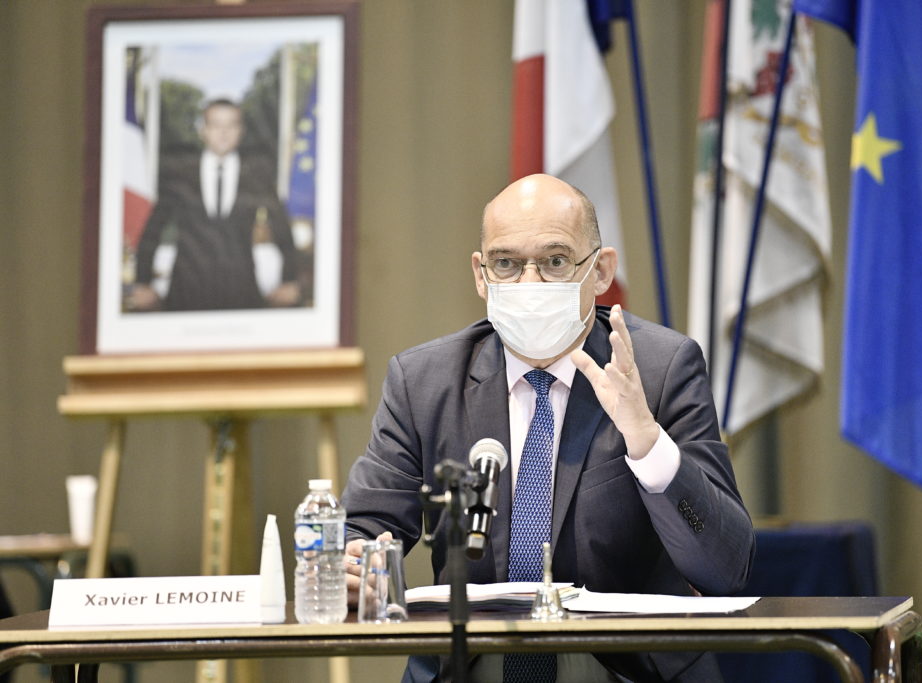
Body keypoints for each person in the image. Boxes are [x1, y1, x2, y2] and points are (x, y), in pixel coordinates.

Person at [341, 174, 754, 682]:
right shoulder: (423, 381)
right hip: (472, 663)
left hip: (621, 667)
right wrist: (353, 560)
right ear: (480, 274)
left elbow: (725, 568)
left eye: (555, 262)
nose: (529, 284)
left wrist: (646, 439)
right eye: (507, 264)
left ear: (600, 271)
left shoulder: (662, 368)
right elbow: (364, 530)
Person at [129, 98, 300, 312]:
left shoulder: (257, 174)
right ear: (203, 130)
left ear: (241, 130)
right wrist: (143, 283)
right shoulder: (179, 173)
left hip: (242, 293)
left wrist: (289, 280)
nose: (223, 133)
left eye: (231, 125)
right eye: (216, 125)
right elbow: (154, 229)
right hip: (184, 293)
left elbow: (281, 228)